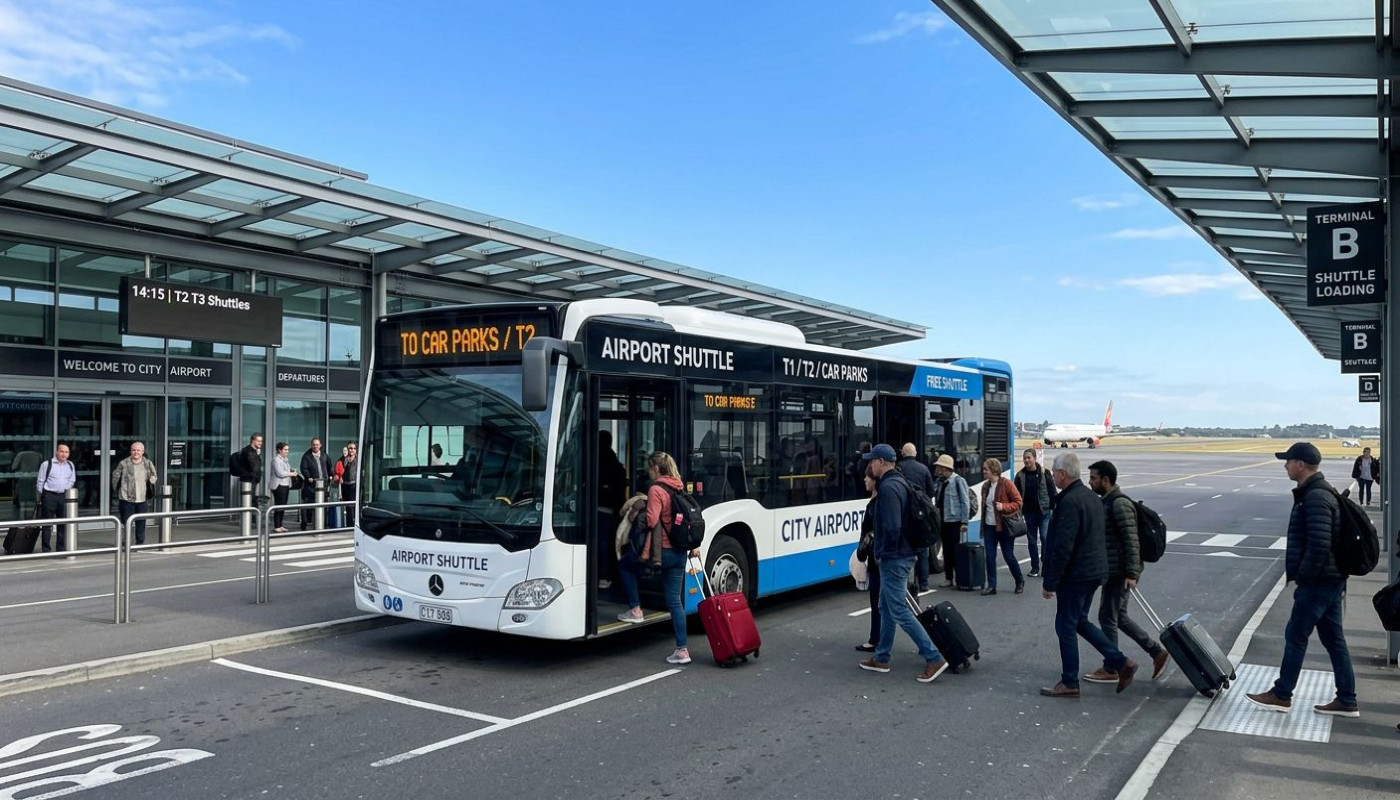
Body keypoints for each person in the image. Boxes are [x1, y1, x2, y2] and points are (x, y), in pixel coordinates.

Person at [1246, 442, 1359, 717]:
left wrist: (1304, 578)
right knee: (1333, 639)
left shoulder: (1316, 497)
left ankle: (1282, 694)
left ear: (1301, 464)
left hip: (1320, 581)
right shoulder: (1317, 492)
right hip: (1330, 579)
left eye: (1288, 461)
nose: (1285, 465)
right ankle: (1346, 698)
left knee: (1296, 634)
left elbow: (1319, 545)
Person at [1040, 452, 1137, 698]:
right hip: (1094, 571)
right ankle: (1120, 661)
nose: (1053, 476)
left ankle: (1070, 681)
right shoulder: (1091, 498)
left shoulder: (1069, 501)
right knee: (1080, 621)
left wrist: (1050, 581)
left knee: (1065, 626)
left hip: (1076, 574)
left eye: (1054, 473)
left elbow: (1063, 545)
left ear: (1062, 474)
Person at [857, 443, 949, 683]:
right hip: (904, 554)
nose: (869, 465)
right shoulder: (900, 481)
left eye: (871, 461)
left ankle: (933, 656)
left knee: (897, 608)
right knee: (886, 607)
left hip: (894, 557)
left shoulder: (888, 487)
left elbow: (892, 526)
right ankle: (882, 657)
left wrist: (882, 553)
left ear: (881, 462)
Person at [1084, 460, 1169, 684]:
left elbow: (1132, 541)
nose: (1090, 481)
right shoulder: (1108, 502)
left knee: (1107, 618)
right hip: (1114, 570)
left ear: (1105, 480)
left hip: (1120, 572)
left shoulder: (1119, 504)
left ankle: (1112, 667)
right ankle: (1156, 652)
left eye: (1093, 478)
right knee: (1118, 617)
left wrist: (1131, 573)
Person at [615, 452, 698, 665]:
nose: (648, 472)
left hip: (662, 551)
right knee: (674, 601)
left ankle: (635, 609)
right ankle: (682, 650)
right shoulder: (678, 485)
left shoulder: (656, 489)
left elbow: (652, 520)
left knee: (625, 565)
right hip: (679, 552)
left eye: (649, 468)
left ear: (656, 469)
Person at [978, 458, 1025, 596]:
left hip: (1004, 527)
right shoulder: (985, 486)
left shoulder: (1006, 484)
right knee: (990, 557)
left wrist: (1003, 506)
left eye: (986, 469)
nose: (984, 471)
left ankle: (1019, 580)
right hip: (989, 527)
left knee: (1008, 555)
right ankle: (992, 586)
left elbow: (1018, 502)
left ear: (994, 470)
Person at [898, 443, 937, 592]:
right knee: (922, 551)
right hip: (921, 516)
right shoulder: (924, 468)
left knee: (907, 551)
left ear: (903, 453)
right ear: (915, 453)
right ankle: (924, 583)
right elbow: (931, 492)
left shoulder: (899, 468)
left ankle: (908, 584)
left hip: (905, 514)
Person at [1014, 448, 1057, 578]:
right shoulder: (1020, 475)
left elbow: (1052, 492)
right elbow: (1016, 494)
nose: (1027, 460)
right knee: (1032, 541)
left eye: (1029, 457)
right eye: (1025, 458)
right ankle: (1035, 567)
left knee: (1044, 538)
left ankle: (1046, 567)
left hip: (1044, 512)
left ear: (1034, 458)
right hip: (1029, 512)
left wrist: (1054, 509)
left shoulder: (1045, 473)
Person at [931, 454, 970, 588]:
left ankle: (960, 578)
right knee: (946, 550)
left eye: (940, 468)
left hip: (955, 520)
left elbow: (965, 501)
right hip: (943, 520)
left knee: (955, 551)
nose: (938, 470)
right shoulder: (940, 482)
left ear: (947, 468)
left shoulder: (958, 481)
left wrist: (964, 521)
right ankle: (949, 578)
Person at [854, 467, 882, 652]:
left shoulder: (876, 504)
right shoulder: (876, 501)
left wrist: (862, 550)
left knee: (881, 603)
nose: (864, 479)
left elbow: (870, 532)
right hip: (878, 558)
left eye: (868, 477)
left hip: (878, 559)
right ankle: (877, 640)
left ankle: (876, 641)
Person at [597, 430, 629, 589]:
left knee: (603, 544)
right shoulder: (615, 463)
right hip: (612, 510)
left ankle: (603, 574)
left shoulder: (597, 461)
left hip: (602, 510)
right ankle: (607, 575)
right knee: (609, 544)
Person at [112, 441, 159, 546]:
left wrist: (150, 481)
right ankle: (126, 542)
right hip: (126, 498)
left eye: (138, 450)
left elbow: (154, 475)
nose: (136, 452)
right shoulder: (124, 463)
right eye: (134, 450)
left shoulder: (147, 463)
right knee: (126, 522)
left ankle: (140, 541)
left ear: (142, 451)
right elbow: (115, 475)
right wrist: (116, 488)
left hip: (142, 498)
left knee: (141, 522)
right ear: (130, 451)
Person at [36, 443, 77, 552]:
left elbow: (72, 479)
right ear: (57, 452)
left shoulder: (70, 465)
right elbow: (40, 481)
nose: (64, 454)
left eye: (66, 452)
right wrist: (43, 495)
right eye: (62, 451)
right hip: (49, 496)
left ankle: (60, 548)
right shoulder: (47, 464)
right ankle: (46, 549)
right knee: (47, 524)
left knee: (62, 524)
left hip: (63, 496)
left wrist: (65, 489)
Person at [299, 438, 332, 531]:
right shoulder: (307, 456)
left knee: (323, 505)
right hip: (311, 485)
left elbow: (330, 466)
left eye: (317, 445)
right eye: (314, 444)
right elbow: (304, 468)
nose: (315, 446)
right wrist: (308, 477)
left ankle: (323, 524)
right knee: (307, 505)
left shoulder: (324, 455)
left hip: (323, 485)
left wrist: (331, 475)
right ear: (311, 445)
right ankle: (305, 523)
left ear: (320, 445)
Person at [270, 442, 297, 532]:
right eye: (285, 449)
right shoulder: (276, 460)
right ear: (279, 450)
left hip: (285, 484)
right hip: (279, 485)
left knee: (283, 505)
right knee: (279, 505)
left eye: (287, 449)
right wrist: (291, 473)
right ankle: (277, 525)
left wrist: (291, 471)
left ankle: (280, 525)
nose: (287, 451)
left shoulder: (285, 459)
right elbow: (280, 473)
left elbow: (285, 470)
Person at [335, 442, 359, 525]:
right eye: (350, 448)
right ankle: (349, 524)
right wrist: (338, 476)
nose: (352, 450)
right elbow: (337, 470)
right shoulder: (343, 459)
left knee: (352, 506)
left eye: (353, 448)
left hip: (354, 484)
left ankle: (355, 523)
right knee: (347, 506)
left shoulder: (358, 459)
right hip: (345, 485)